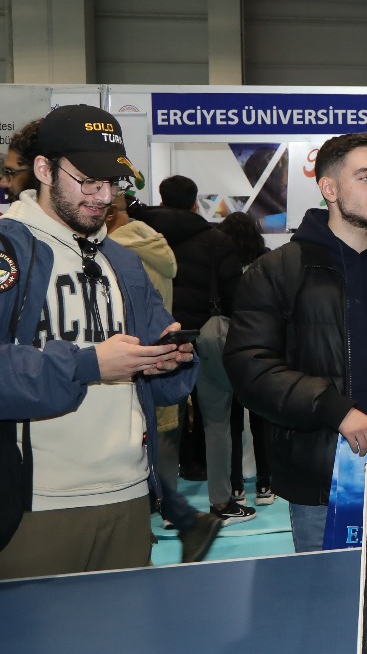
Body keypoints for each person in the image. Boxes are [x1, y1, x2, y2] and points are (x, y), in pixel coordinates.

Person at [0, 105, 204, 578]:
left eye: (111, 183)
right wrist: (87, 365)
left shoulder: (123, 262)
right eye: (87, 181)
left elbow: (162, 380)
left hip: (130, 499)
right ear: (44, 169)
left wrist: (171, 361)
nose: (103, 196)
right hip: (32, 506)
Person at [224, 132, 367, 553]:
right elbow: (251, 367)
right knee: (332, 592)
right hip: (324, 477)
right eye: (366, 177)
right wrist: (335, 410)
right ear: (329, 189)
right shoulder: (278, 271)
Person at [103, 192, 220, 557]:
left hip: (127, 369)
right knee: (155, 448)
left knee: (137, 454)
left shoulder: (115, 257)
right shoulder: (156, 249)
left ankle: (176, 516)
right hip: (160, 358)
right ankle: (180, 516)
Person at [133, 175, 248, 522]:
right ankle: (222, 502)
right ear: (196, 204)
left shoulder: (144, 238)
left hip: (164, 338)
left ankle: (168, 506)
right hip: (208, 337)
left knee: (168, 425)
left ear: (162, 200)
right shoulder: (216, 240)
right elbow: (235, 296)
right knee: (217, 422)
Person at [217, 212, 274, 504]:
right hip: (262, 344)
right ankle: (265, 484)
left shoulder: (220, 261)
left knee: (232, 421)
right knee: (261, 419)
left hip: (227, 343)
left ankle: (236, 486)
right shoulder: (266, 261)